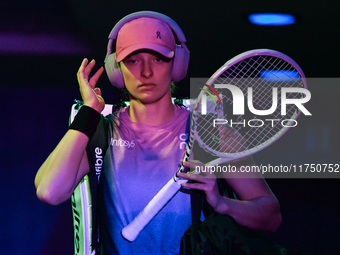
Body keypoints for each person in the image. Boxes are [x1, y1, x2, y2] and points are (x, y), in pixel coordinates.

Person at [35, 11, 281, 255]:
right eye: (133, 60)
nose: (146, 72)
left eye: (158, 59)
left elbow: (271, 216)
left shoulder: (211, 132)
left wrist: (221, 202)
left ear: (177, 65)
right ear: (116, 69)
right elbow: (49, 192)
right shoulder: (102, 133)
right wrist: (89, 112)